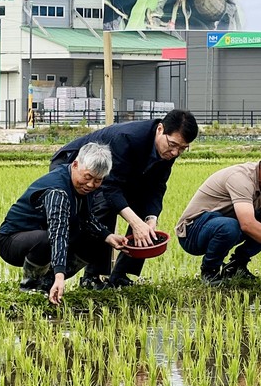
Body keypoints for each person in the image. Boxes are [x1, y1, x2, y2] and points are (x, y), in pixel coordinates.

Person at [50, 109, 199, 289]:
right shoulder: (127, 138)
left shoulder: (168, 150)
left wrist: (150, 219)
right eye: (173, 145)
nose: (175, 152)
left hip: (119, 175)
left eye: (182, 148)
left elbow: (156, 186)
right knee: (104, 205)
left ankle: (121, 275)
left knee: (142, 211)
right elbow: (109, 187)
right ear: (160, 129)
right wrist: (136, 223)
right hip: (76, 168)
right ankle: (92, 276)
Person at [0, 143, 128, 305]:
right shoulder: (57, 190)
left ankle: (48, 281)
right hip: (13, 241)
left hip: (44, 239)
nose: (90, 185)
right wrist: (61, 275)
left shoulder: (82, 187)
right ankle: (31, 286)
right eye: (87, 177)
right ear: (75, 165)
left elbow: (86, 218)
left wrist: (108, 236)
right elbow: (57, 232)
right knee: (46, 240)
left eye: (98, 180)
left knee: (96, 238)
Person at [175, 144, 261, 284]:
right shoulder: (241, 178)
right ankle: (210, 271)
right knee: (230, 226)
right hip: (193, 232)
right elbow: (247, 224)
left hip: (223, 225)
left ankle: (236, 266)